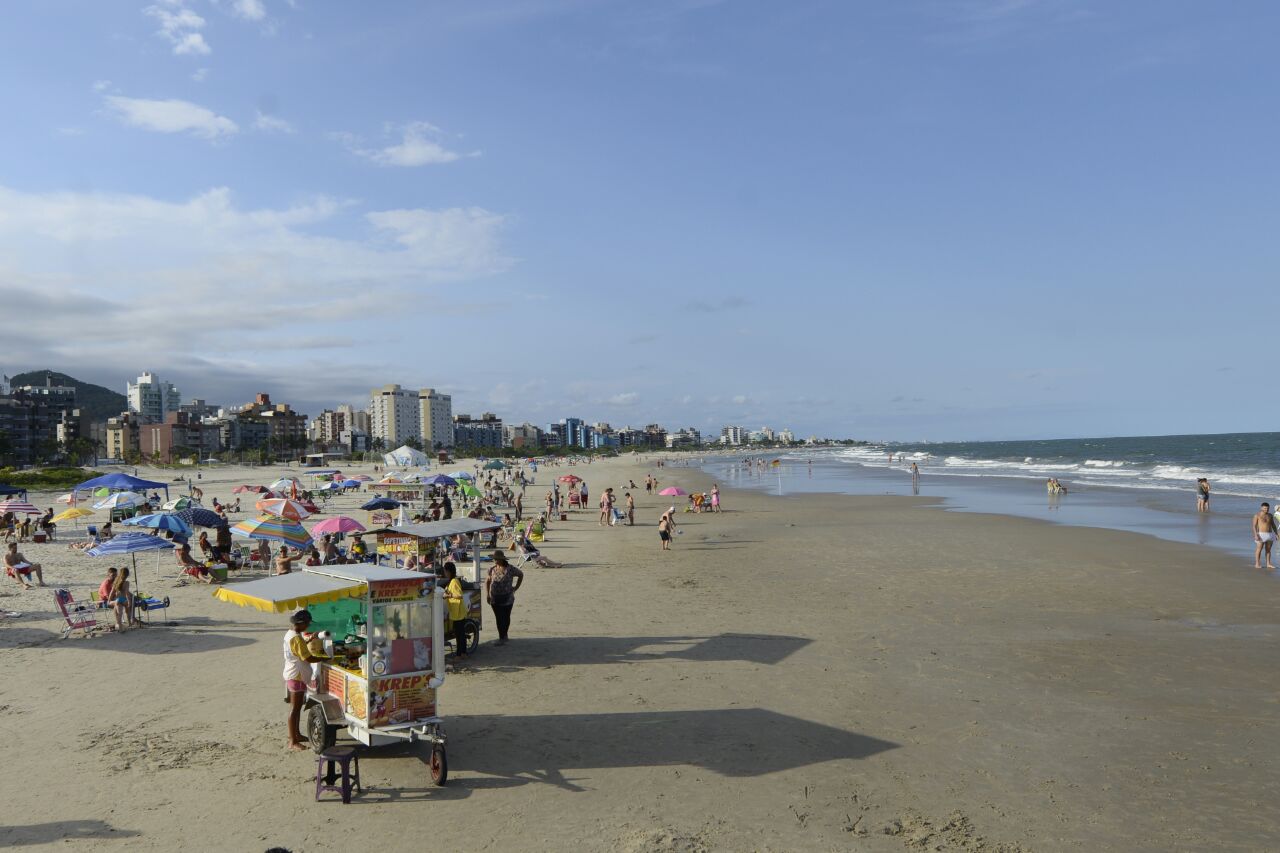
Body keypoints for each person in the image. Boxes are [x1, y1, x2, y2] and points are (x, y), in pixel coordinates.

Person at [283, 609, 323, 751]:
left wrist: (310, 638)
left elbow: (299, 647)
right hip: (297, 676)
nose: (308, 626)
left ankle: (297, 735)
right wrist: (324, 659)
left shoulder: (291, 634)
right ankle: (292, 741)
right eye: (306, 623)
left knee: (297, 707)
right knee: (294, 708)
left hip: (292, 674)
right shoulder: (296, 638)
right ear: (300, 623)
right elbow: (307, 658)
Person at [484, 551, 524, 646]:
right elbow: (487, 581)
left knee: (506, 617)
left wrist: (516, 587)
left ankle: (504, 636)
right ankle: (501, 637)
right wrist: (487, 594)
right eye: (494, 558)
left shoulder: (510, 569)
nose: (495, 560)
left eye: (496, 559)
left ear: (501, 559)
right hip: (494, 598)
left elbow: (521, 574)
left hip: (508, 597)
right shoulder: (491, 569)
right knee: (499, 618)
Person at [442, 562, 469, 659]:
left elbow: (459, 595)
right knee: (460, 634)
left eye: (445, 571)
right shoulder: (451, 581)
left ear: (448, 571)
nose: (444, 573)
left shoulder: (454, 581)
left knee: (460, 635)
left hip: (459, 612)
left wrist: (448, 595)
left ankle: (460, 654)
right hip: (456, 612)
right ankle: (463, 653)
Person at [1253, 502, 1277, 570]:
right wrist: (1255, 535)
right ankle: (1257, 564)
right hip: (1261, 534)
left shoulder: (1270, 515)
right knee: (1259, 549)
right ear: (1261, 508)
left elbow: (1273, 525)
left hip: (1270, 534)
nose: (1266, 509)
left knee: (1268, 550)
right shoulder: (1257, 515)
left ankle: (1268, 564)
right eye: (1265, 508)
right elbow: (1254, 526)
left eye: (1267, 508)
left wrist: (1276, 534)